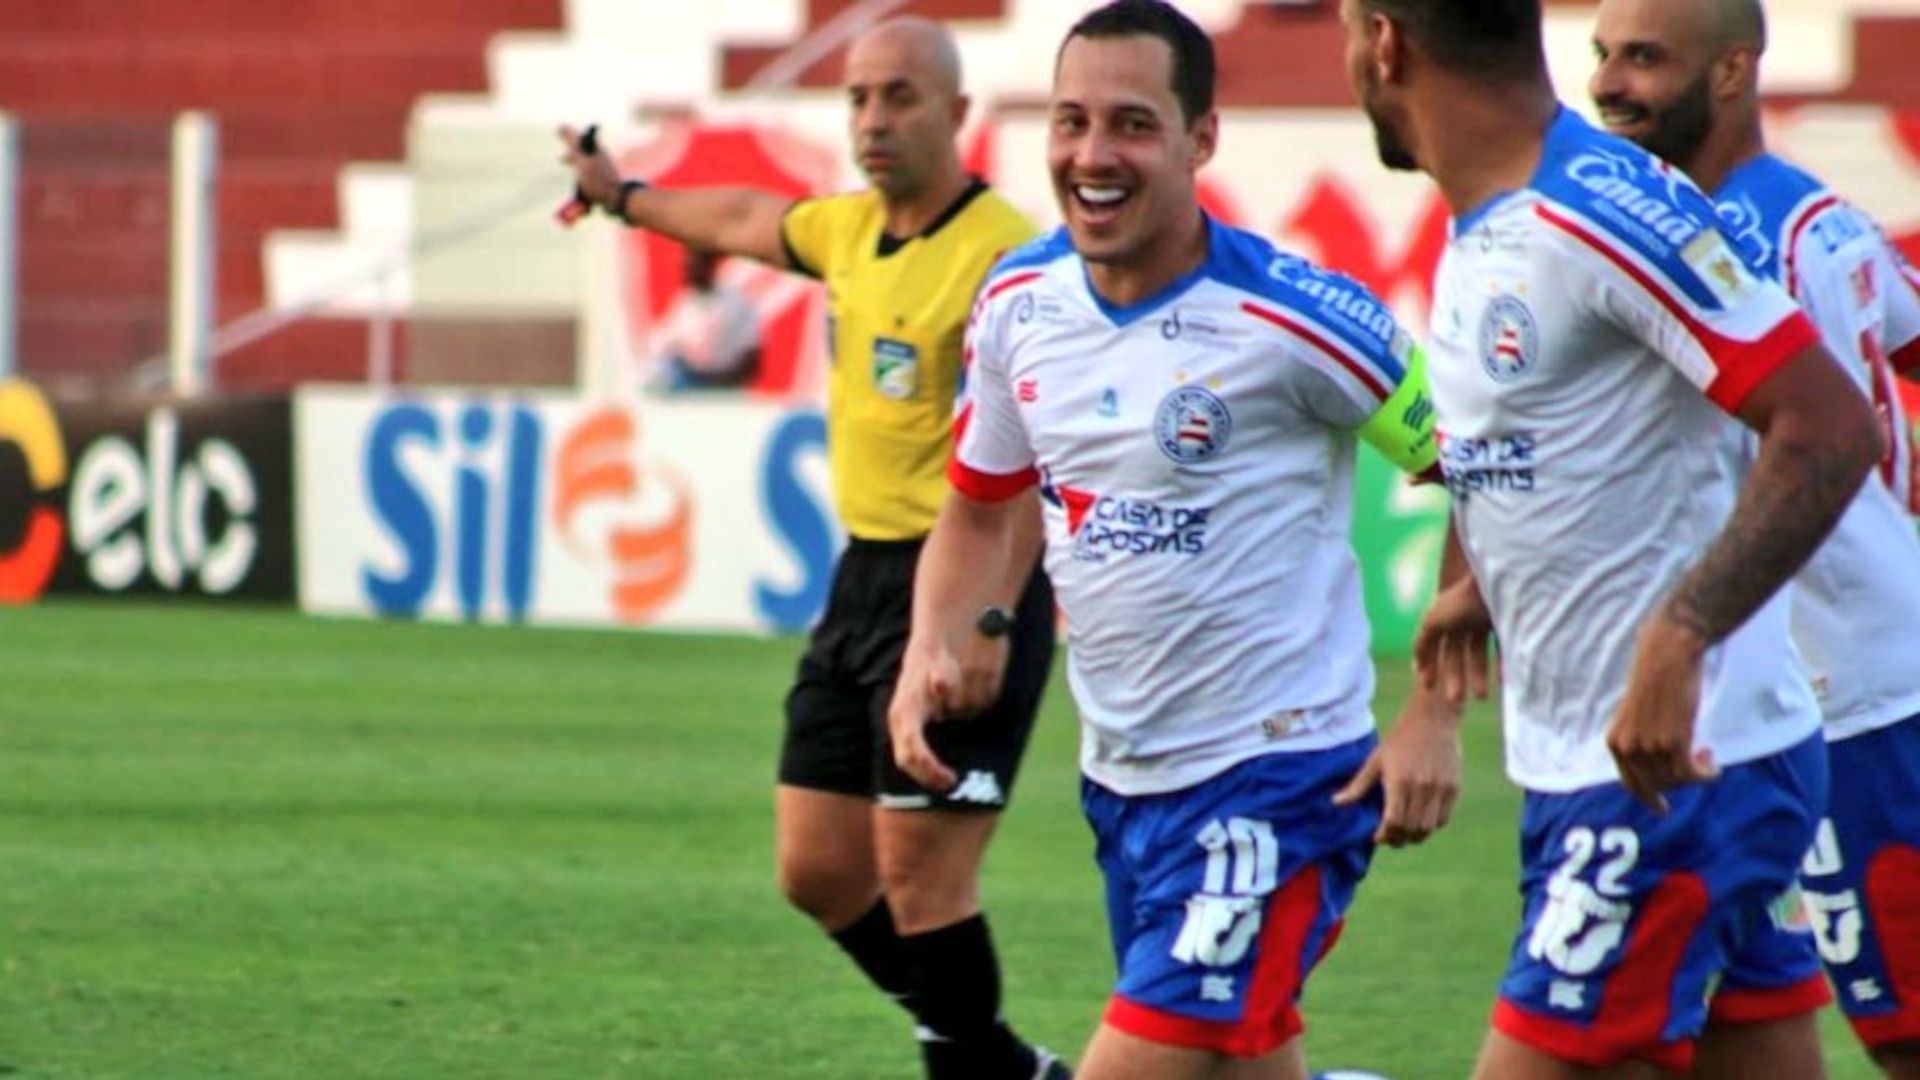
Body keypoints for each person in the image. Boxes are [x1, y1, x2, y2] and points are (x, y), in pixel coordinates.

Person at [888, 4, 1463, 1078]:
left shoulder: (1300, 319)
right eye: (1070, 122)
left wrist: (1434, 711)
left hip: (1282, 781)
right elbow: (978, 503)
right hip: (1124, 785)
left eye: (1132, 125)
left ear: (1200, 139)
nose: (1093, 156)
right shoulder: (1019, 304)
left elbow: (1478, 469)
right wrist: (936, 640)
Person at [1339, 0, 1886, 1076]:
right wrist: (1483, 585)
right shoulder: (1502, 216)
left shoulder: (1590, 215)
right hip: (1662, 769)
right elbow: (1597, 440)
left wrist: (1679, 638)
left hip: (1667, 783)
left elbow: (1827, 428)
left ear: (1387, 40)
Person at [557, 18, 1065, 1080]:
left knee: (925, 881)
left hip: (966, 580)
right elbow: (745, 215)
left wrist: (987, 618)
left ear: (958, 114)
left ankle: (977, 1065)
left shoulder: (1007, 258)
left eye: (901, 98)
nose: (874, 121)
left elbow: (1038, 455)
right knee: (821, 870)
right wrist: (622, 195)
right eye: (859, 99)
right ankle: (996, 1059)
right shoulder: (848, 230)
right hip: (863, 578)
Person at [1588, 2, 1920, 1075]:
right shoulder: (1818, 213)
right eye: (1604, 56)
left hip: (1852, 707)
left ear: (1732, 70)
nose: (1610, 85)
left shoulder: (1731, 247)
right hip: (1827, 690)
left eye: (1644, 59)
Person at [649, 246, 762, 391]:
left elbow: (752, 358)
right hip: (688, 387)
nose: (686, 271)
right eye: (684, 267)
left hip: (723, 391)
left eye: (692, 265)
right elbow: (668, 346)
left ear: (708, 265)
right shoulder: (685, 304)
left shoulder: (737, 303)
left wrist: (714, 381)